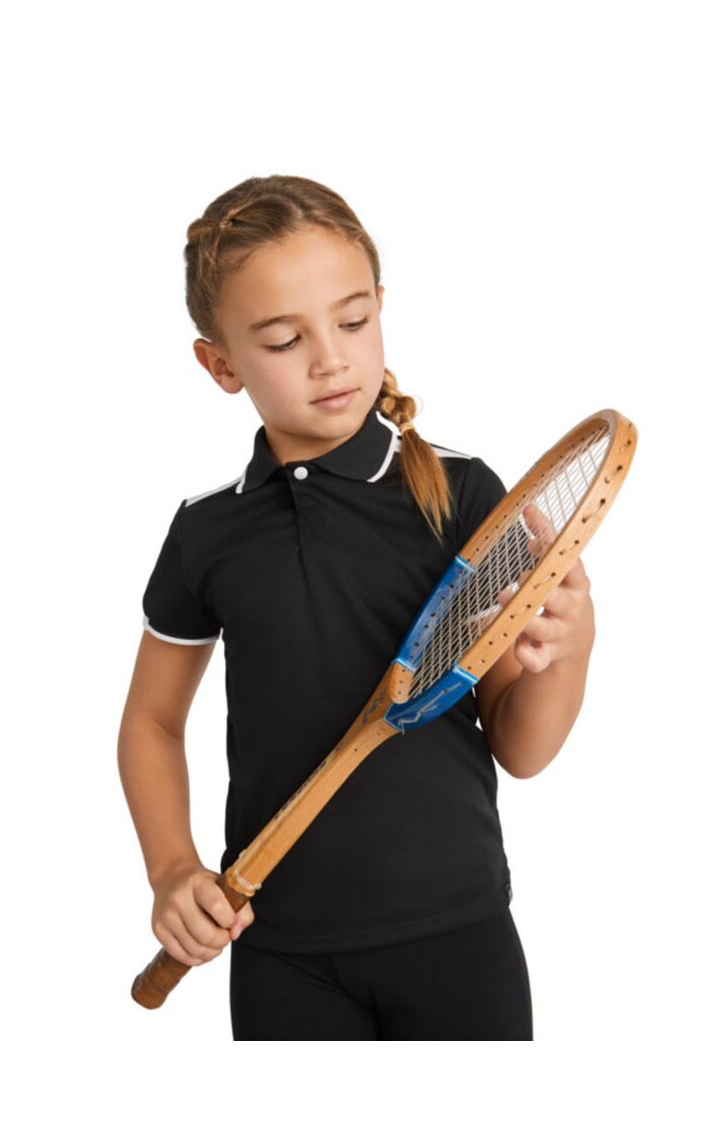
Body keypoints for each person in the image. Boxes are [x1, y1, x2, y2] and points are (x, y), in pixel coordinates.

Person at [117, 175, 595, 1040]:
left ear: (380, 307)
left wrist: (572, 645)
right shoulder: (206, 531)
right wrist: (172, 869)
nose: (330, 359)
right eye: (282, 339)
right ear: (221, 364)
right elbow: (151, 722)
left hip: (457, 934)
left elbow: (521, 749)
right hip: (280, 947)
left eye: (351, 321)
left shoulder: (463, 496)